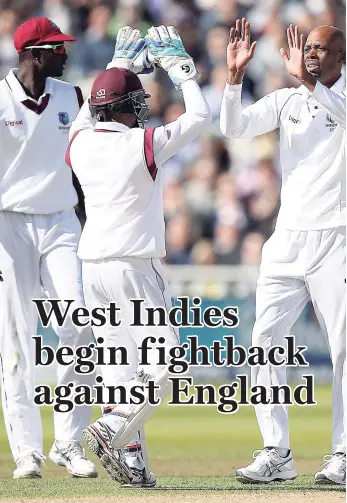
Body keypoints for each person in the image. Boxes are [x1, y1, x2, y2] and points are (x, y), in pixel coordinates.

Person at [67, 25, 211, 486]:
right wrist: (181, 69)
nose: (141, 112)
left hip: (92, 267)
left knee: (119, 367)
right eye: (136, 105)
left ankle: (132, 460)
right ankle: (115, 425)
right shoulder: (140, 144)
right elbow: (201, 116)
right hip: (134, 266)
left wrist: (119, 65)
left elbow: (87, 115)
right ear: (127, 109)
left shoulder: (80, 141)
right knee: (168, 364)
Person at [220, 18, 346, 485]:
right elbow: (233, 128)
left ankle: (344, 454)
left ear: (341, 57)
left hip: (338, 236)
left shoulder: (336, 94)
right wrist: (234, 79)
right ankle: (277, 452)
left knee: (343, 347)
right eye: (307, 47)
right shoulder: (289, 98)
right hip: (287, 238)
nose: (311, 54)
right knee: (265, 343)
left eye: (321, 49)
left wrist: (307, 80)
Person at [0, 17, 97, 479]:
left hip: (62, 221)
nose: (66, 53)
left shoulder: (71, 96)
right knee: (18, 340)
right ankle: (26, 452)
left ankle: (68, 442)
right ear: (33, 54)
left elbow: (87, 162)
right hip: (9, 225)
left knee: (79, 327)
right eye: (57, 48)